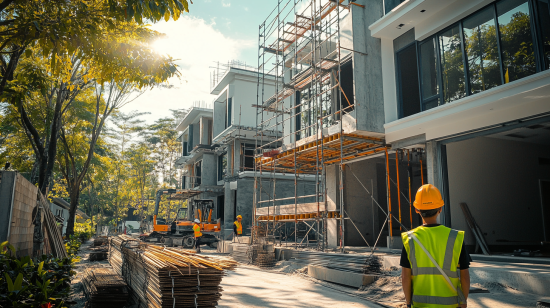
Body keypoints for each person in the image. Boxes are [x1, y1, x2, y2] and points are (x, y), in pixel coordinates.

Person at [401, 184, 471, 308]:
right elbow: (464, 276)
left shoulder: (410, 239)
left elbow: (405, 277)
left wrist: (408, 303)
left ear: (417, 209)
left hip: (419, 305)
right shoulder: (455, 237)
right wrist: (463, 301)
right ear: (440, 209)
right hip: (451, 305)